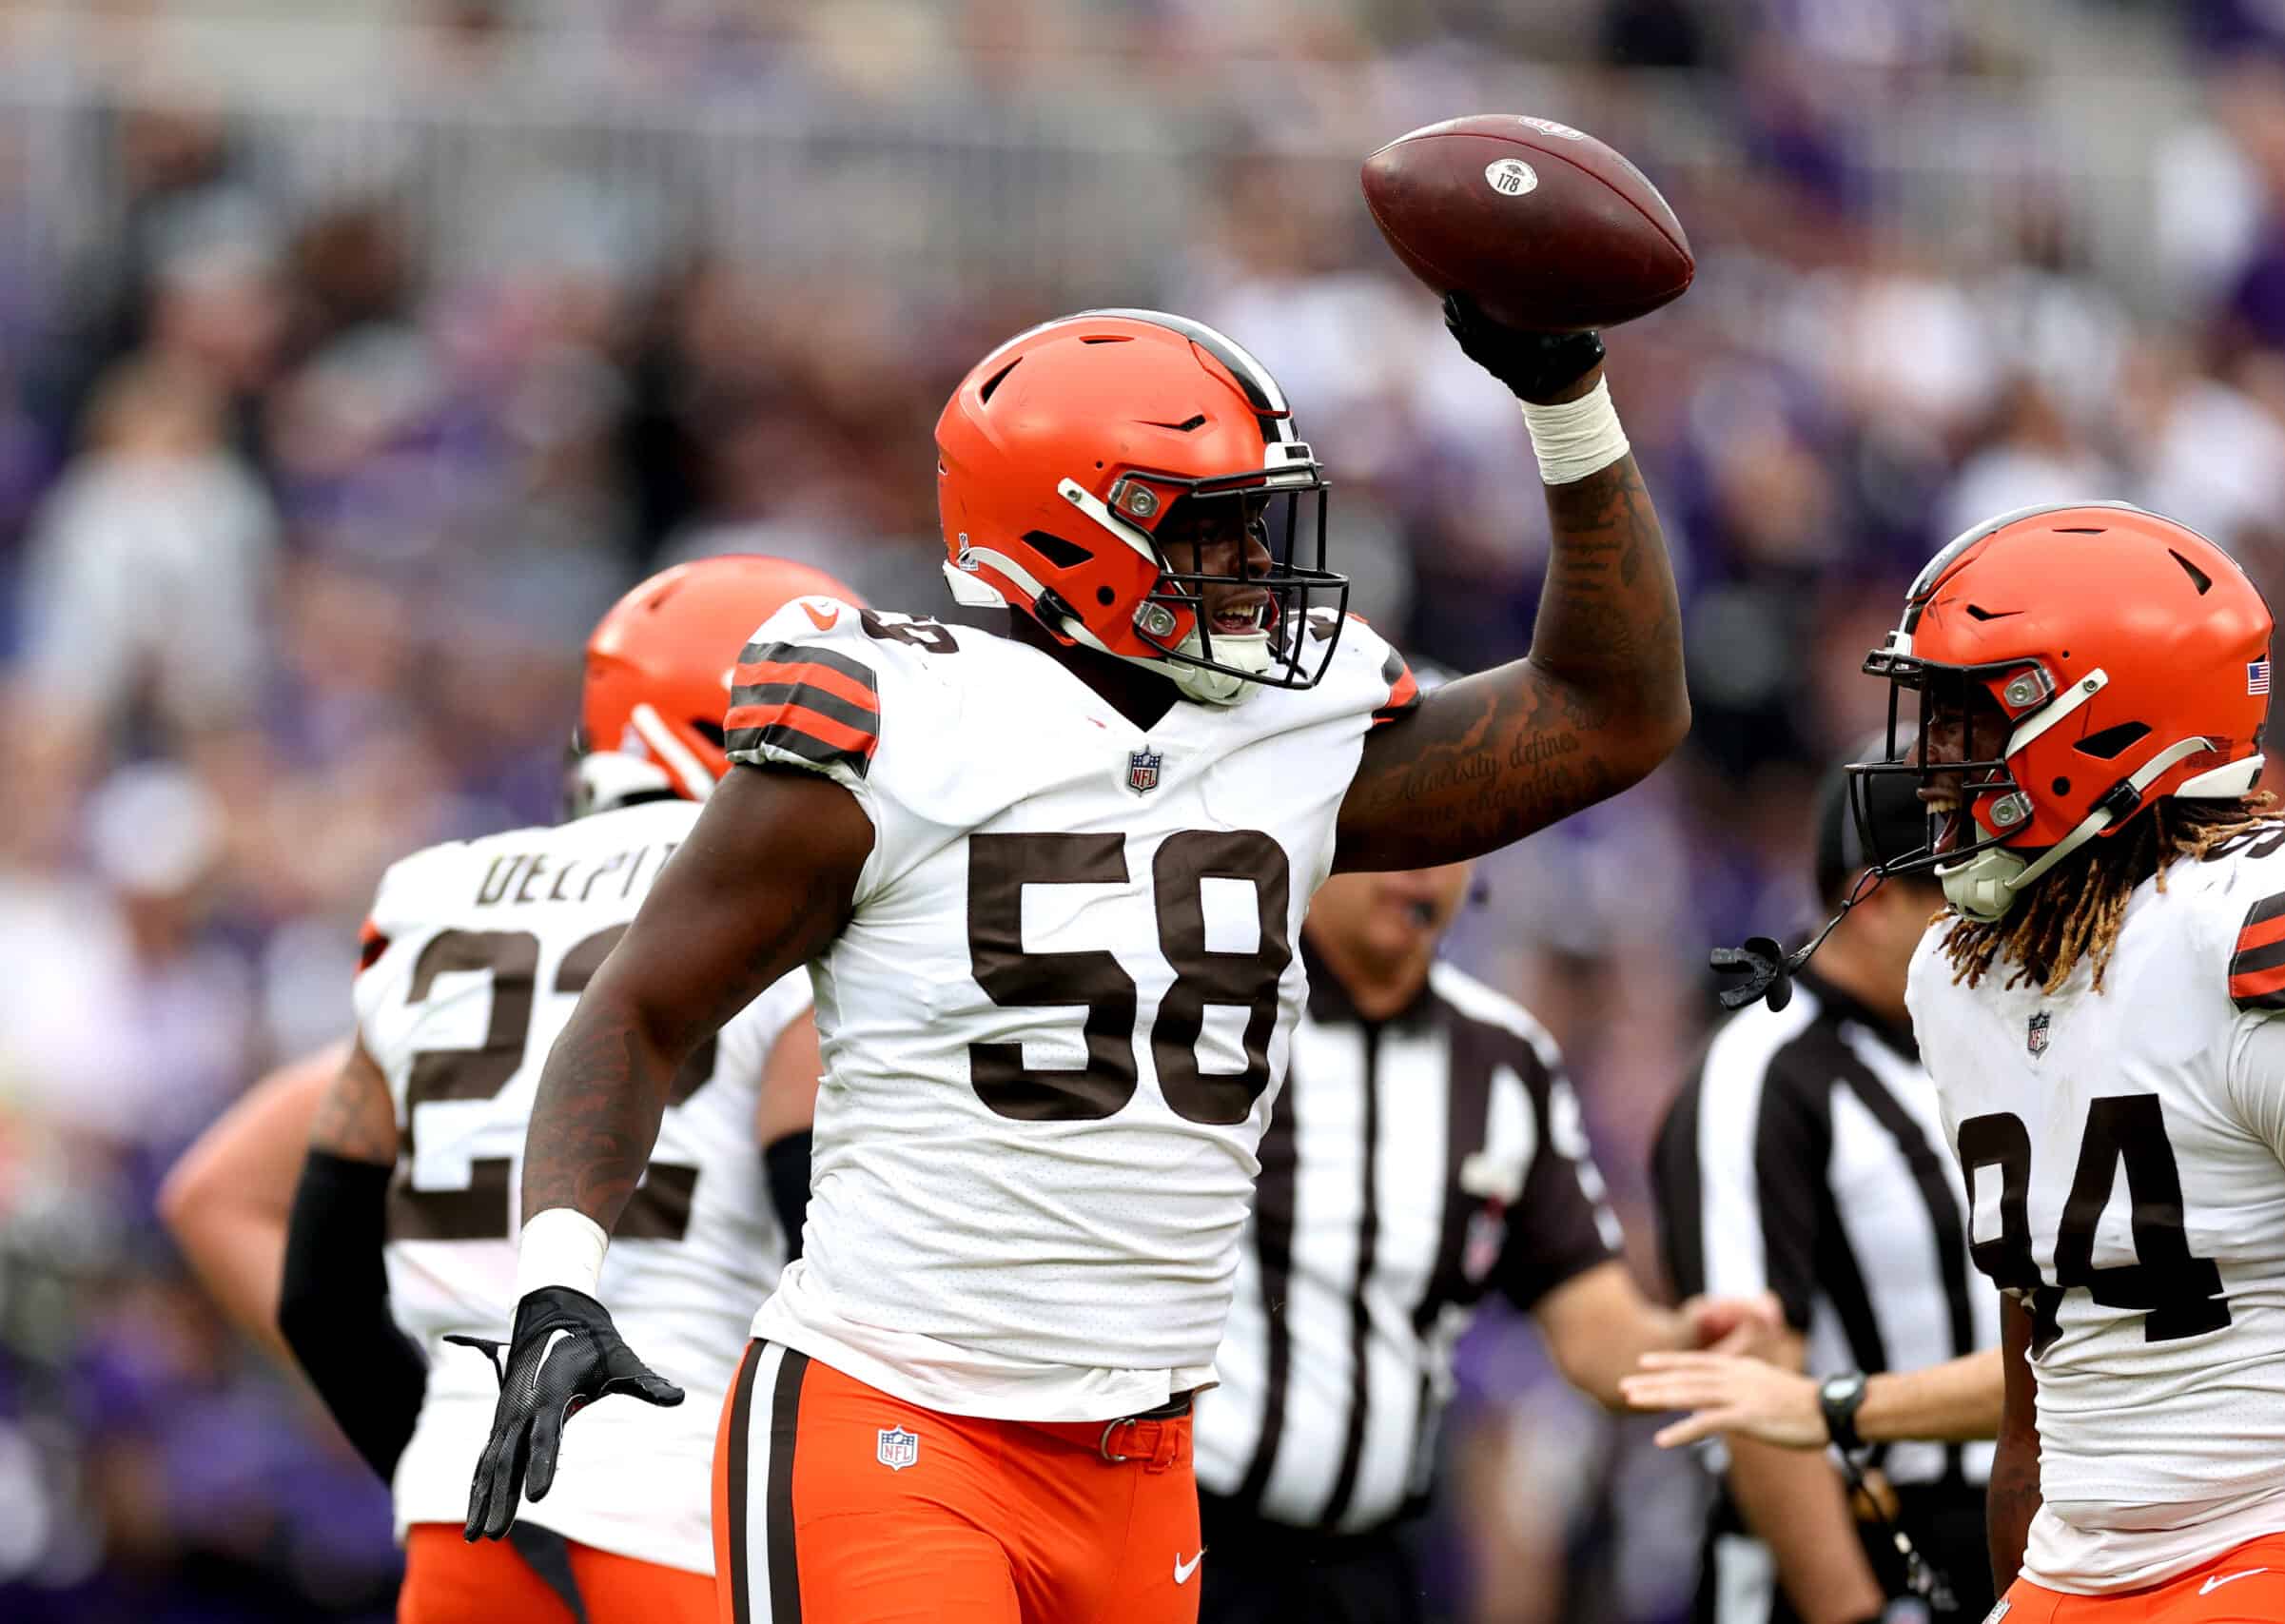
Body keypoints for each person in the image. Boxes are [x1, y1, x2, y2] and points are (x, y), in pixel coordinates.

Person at [454, 299, 1698, 1624]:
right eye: (1207, 522)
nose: (1256, 561)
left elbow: (1612, 714)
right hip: (898, 1420)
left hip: (1143, 1459)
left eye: (1254, 518)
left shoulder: (1294, 729)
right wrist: (557, 1274)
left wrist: (1566, 397)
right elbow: (640, 1008)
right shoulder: (892, 726)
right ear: (1068, 529)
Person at [157, 554, 854, 1624]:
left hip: (465, 1517)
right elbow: (817, 1216)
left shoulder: (438, 894)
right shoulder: (796, 896)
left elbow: (317, 1285)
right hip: (694, 1501)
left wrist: (450, 1455)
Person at [1786, 500, 2285, 1624]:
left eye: (1966, 721)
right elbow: (2038, 1380)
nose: (1929, 764)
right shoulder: (1957, 973)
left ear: (2101, 720)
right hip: (2076, 1559)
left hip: (2281, 1532)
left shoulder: (2265, 922)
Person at [1619, 744, 2285, 1469]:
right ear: (1868, 902)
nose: (1996, 916)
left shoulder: (2224, 1009)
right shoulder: (1805, 1066)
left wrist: (1841, 1406)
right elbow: (2071, 1360)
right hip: (2094, 1513)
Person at [1195, 786, 1777, 1624]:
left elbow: (1595, 1328)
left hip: (1380, 1561)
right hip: (1206, 1544)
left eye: (1452, 836)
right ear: (1323, 833)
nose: (1423, 867)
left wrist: (1689, 1343)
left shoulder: (1504, 1060)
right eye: (1398, 831)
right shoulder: (1222, 1019)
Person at [1645, 753, 2001, 1624]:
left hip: (2000, 1529)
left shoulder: (1970, 1046)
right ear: (1873, 902)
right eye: (1955, 902)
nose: (1985, 929)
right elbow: (1750, 1382)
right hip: (1845, 1545)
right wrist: (1852, 1609)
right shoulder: (1766, 1075)